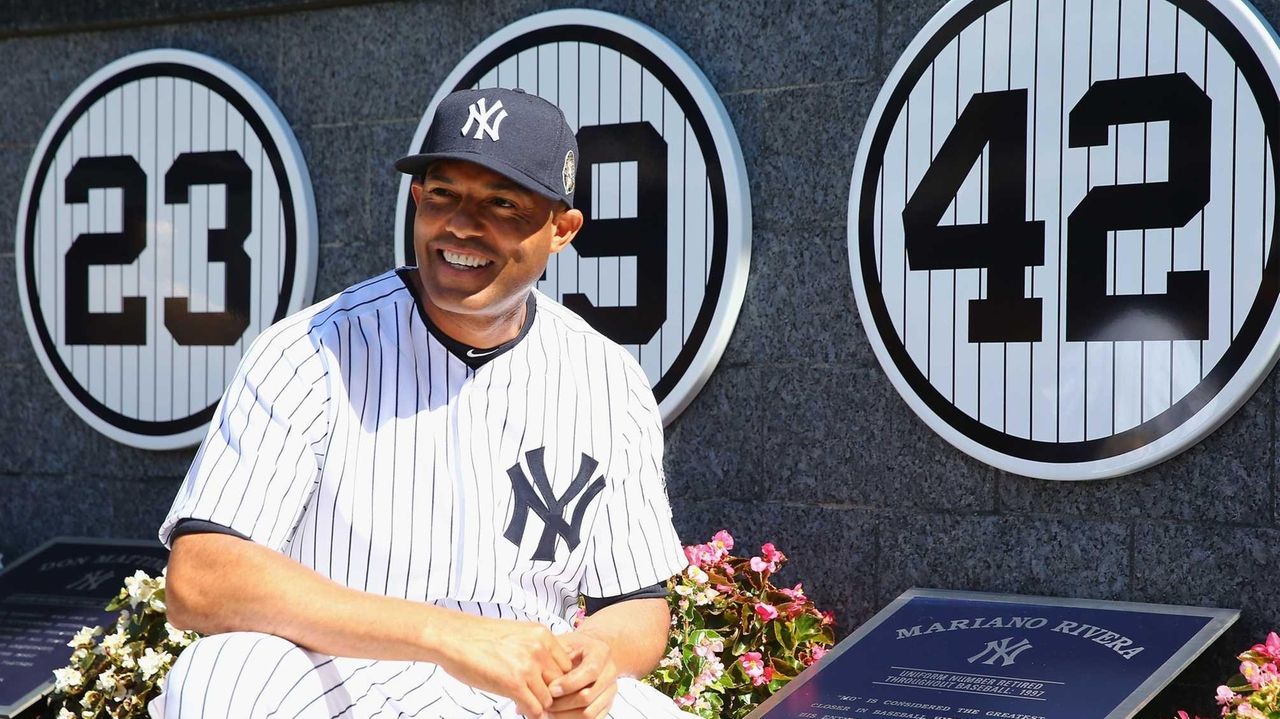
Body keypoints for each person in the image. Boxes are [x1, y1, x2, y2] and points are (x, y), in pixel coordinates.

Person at [152, 87, 692, 719]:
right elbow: (201, 579)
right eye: (443, 193)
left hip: (521, 696)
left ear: (561, 230)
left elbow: (635, 599)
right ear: (416, 198)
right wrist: (445, 636)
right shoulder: (310, 349)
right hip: (344, 683)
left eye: (502, 202)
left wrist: (596, 656)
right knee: (222, 676)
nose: (462, 224)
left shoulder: (609, 381)